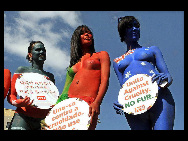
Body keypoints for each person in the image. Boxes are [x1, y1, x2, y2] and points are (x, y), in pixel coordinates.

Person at [113, 16, 175, 130]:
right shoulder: (117, 61)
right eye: (129, 26)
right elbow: (123, 86)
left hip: (159, 97)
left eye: (136, 26)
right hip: (134, 103)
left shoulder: (152, 50)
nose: (135, 29)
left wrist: (166, 77)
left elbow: (168, 76)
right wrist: (120, 101)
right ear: (122, 31)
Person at [56, 25, 110, 130]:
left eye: (89, 32)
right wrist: (56, 107)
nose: (87, 34)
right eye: (83, 33)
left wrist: (97, 102)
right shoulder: (73, 64)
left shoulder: (101, 55)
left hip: (88, 101)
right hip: (67, 101)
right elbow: (65, 88)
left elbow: (105, 80)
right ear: (77, 38)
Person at [7, 41, 55, 130]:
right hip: (23, 116)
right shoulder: (22, 70)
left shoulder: (50, 77)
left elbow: (51, 99)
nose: (42, 52)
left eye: (43, 50)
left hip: (42, 121)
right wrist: (18, 102)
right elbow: (11, 95)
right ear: (30, 54)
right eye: (38, 50)